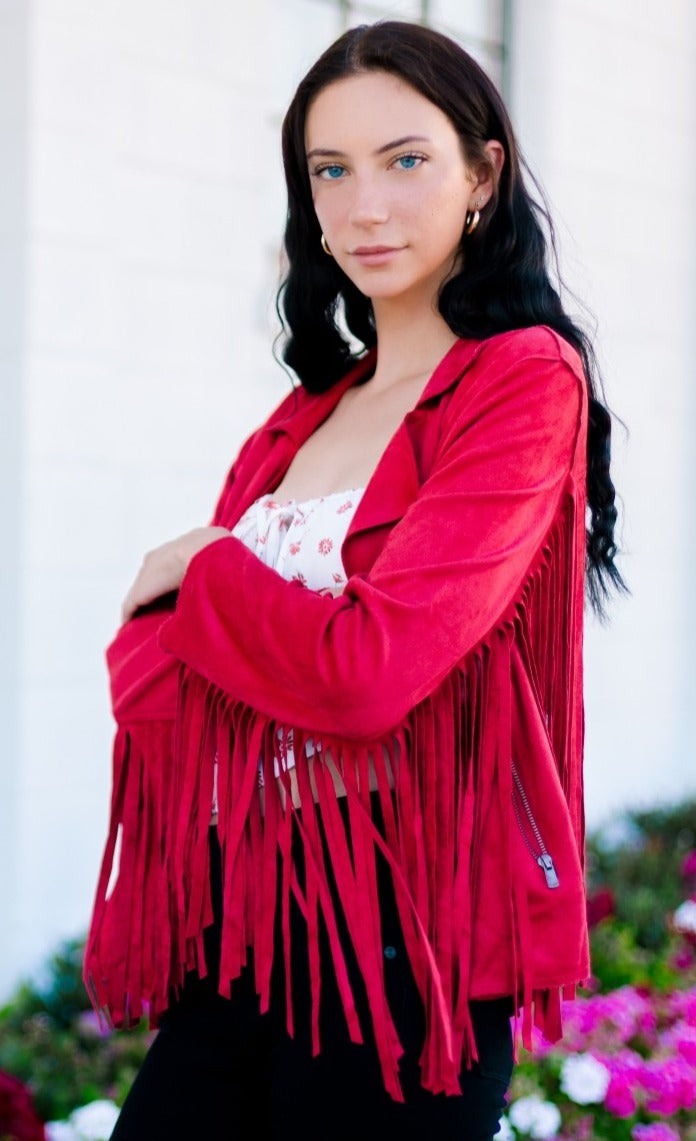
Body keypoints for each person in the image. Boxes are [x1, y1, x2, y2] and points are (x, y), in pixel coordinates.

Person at [83, 19, 625, 1141]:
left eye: (405, 160)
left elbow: (370, 673)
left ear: (484, 173)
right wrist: (253, 625)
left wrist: (216, 575)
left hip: (398, 946)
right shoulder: (303, 417)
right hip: (243, 922)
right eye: (330, 171)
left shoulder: (522, 383)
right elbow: (143, 677)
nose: (363, 205)